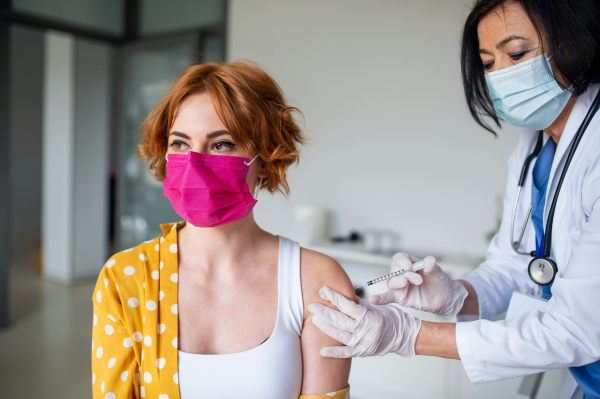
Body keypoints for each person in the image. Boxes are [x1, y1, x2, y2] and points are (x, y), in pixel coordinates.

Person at [308, 0, 600, 398]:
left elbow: (575, 330)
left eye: (516, 53)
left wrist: (409, 335)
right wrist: (458, 296)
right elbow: (516, 266)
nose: (501, 76)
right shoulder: (535, 146)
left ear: (577, 44)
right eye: (487, 63)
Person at [91, 61, 356, 399]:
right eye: (180, 144)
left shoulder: (317, 283)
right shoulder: (125, 279)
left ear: (264, 160)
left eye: (221, 144)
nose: (195, 163)